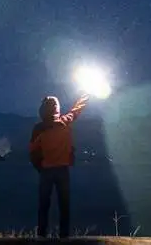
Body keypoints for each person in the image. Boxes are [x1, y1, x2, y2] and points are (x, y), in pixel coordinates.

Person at [29, 93, 90, 238]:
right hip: (62, 170)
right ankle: (64, 237)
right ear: (56, 108)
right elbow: (76, 110)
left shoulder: (39, 128)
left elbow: (32, 152)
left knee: (44, 206)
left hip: (46, 171)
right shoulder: (64, 122)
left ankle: (41, 236)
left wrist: (40, 167)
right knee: (64, 205)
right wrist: (86, 95)